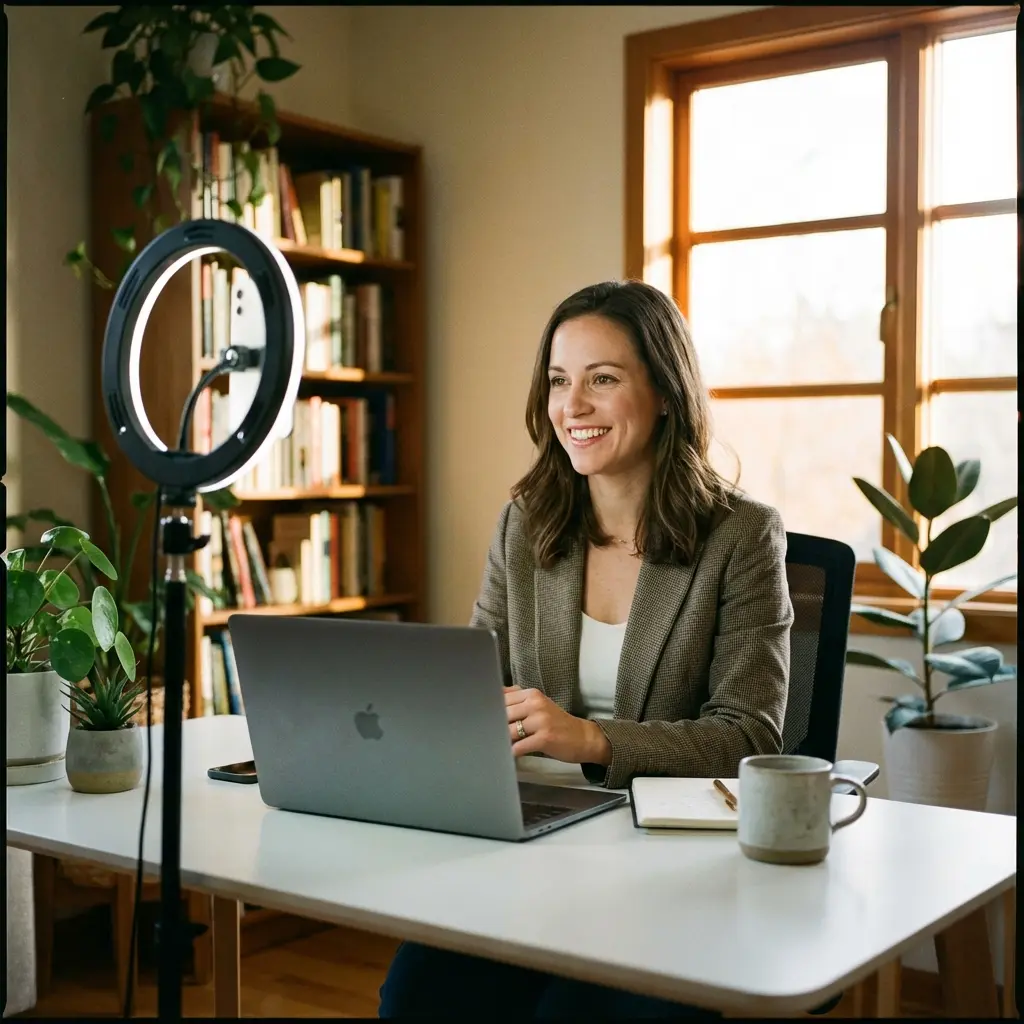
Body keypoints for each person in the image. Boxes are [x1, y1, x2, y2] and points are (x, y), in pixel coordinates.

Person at [378, 280, 794, 1018]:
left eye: (602, 380)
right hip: (533, 845)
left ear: (665, 392)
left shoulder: (740, 538)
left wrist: (592, 739)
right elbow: (472, 685)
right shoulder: (525, 526)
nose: (572, 407)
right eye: (559, 382)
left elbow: (749, 735)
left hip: (669, 867)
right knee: (417, 999)